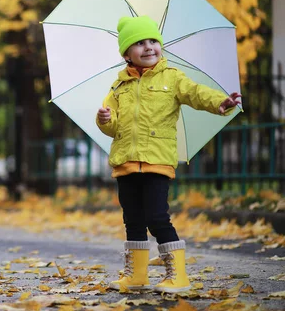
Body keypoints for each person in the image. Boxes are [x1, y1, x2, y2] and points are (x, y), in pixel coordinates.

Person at [96, 16, 241, 293]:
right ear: (127, 53)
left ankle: (178, 275)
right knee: (133, 219)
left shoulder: (172, 78)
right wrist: (104, 118)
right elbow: (112, 127)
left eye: (153, 41)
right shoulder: (118, 87)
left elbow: (195, 93)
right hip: (125, 163)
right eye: (139, 43)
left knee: (157, 217)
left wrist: (220, 102)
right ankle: (137, 275)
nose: (149, 47)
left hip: (157, 162)